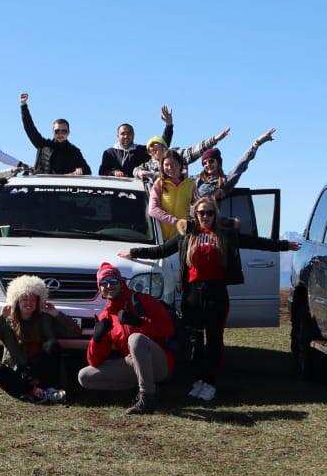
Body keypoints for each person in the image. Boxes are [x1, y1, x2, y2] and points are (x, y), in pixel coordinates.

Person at [123, 194, 300, 402]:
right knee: (195, 342)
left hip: (216, 294)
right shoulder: (186, 235)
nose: (205, 216)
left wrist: (284, 245)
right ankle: (197, 380)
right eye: (201, 213)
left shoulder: (225, 235)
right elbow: (161, 250)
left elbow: (254, 242)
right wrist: (133, 252)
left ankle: (210, 383)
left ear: (215, 214)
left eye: (209, 212)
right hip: (192, 295)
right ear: (194, 215)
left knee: (214, 341)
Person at [77, 263, 177, 415]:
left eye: (113, 282)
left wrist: (139, 322)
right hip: (132, 364)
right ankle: (139, 389)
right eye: (104, 283)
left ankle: (147, 398)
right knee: (84, 376)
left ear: (121, 282)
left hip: (159, 363)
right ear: (100, 288)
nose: (109, 286)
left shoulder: (141, 300)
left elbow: (168, 328)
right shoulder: (105, 316)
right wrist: (97, 339)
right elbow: (95, 361)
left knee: (135, 339)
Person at [0, 275, 75, 404]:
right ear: (17, 301)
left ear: (38, 302)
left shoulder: (45, 318)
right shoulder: (6, 321)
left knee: (52, 345)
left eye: (32, 300)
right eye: (24, 299)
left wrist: (56, 314)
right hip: (19, 368)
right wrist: (0, 316)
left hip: (41, 366)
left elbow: (74, 332)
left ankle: (47, 389)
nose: (28, 303)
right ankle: (33, 392)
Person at [132, 106, 230, 186]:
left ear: (164, 147)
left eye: (156, 147)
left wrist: (215, 139)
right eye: (150, 149)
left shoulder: (177, 155)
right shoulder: (148, 165)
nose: (153, 150)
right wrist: (139, 173)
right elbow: (135, 170)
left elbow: (195, 150)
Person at [192, 128, 276, 202]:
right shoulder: (196, 180)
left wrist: (257, 143)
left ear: (218, 162)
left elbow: (240, 165)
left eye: (211, 161)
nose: (208, 164)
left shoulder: (225, 181)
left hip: (211, 218)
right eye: (204, 163)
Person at [18, 92, 91, 175]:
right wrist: (23, 105)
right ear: (53, 132)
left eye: (64, 131)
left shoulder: (74, 151)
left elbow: (88, 171)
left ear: (68, 133)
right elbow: (30, 128)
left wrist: (80, 170)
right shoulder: (43, 145)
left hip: (65, 186)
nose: (60, 134)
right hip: (42, 185)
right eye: (57, 131)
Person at [148, 148, 197, 240]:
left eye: (174, 164)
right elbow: (152, 209)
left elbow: (198, 207)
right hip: (159, 239)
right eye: (166, 165)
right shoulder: (159, 183)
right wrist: (176, 221)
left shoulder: (191, 184)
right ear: (162, 166)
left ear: (180, 165)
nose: (170, 168)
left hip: (181, 238)